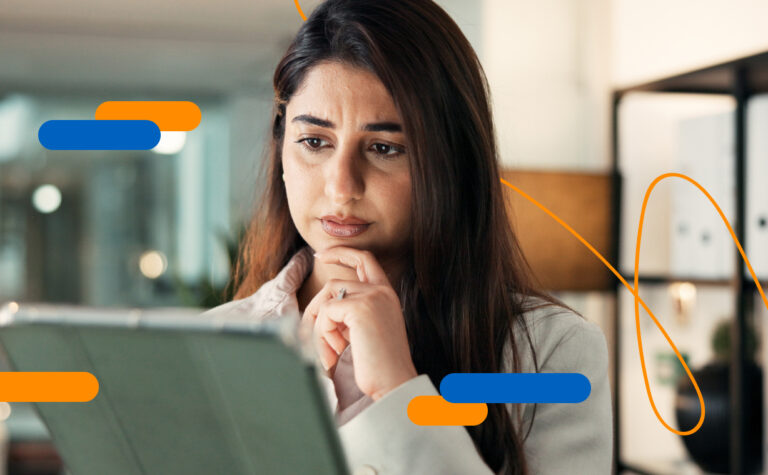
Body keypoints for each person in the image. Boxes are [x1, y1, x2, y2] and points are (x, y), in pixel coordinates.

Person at [204, 0, 613, 473]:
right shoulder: (216, 341)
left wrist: (399, 391)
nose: (341, 187)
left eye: (384, 148)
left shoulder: (550, 355)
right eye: (314, 142)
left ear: (451, 162)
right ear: (281, 148)